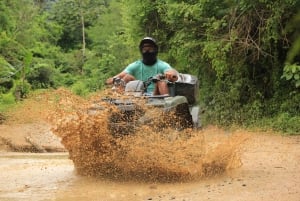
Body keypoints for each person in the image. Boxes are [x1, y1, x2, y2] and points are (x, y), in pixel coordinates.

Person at [106, 37, 179, 95]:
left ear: (155, 50)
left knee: (161, 81)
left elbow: (171, 71)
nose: (147, 51)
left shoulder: (162, 65)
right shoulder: (135, 65)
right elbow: (121, 75)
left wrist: (172, 74)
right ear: (141, 51)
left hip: (156, 96)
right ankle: (117, 103)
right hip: (139, 96)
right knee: (127, 77)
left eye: (150, 49)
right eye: (145, 49)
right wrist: (113, 79)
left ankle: (168, 109)